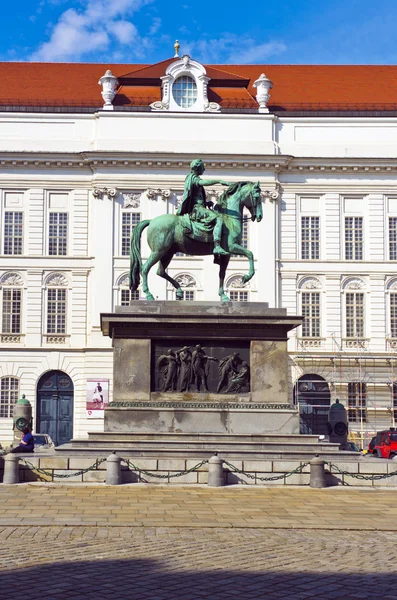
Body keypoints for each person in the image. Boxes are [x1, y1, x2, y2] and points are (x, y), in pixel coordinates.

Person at [177, 158, 230, 256]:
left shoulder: (192, 178)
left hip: (200, 207)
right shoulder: (192, 177)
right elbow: (202, 183)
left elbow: (195, 198)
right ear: (198, 168)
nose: (204, 169)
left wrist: (206, 203)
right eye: (203, 167)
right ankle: (217, 246)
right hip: (197, 210)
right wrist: (218, 181)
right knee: (218, 218)